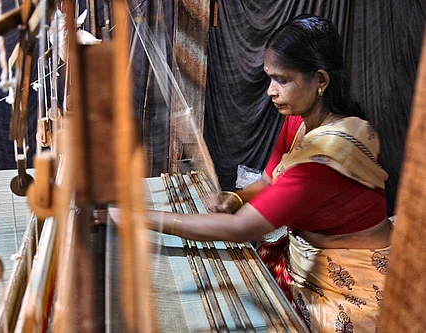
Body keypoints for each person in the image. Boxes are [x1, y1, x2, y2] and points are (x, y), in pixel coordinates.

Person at [109, 14, 390, 332]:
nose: (271, 91)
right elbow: (269, 179)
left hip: (349, 282)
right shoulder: (301, 121)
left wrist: (137, 218)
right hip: (305, 257)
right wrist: (236, 195)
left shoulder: (329, 153)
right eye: (269, 78)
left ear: (321, 80)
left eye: (282, 80)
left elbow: (241, 228)